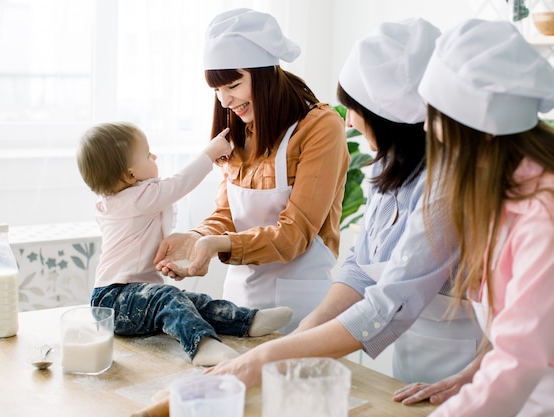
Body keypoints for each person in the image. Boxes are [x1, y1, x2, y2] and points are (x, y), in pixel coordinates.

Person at [202, 18, 483, 389]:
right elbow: (361, 267)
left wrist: (276, 354)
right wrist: (299, 336)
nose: (347, 122)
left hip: (472, 365)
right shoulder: (390, 167)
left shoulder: (447, 186)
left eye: (354, 108)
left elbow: (392, 299)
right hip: (412, 363)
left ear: (389, 118)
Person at [412, 18, 554, 416]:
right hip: (522, 393)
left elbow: (521, 355)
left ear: (481, 129)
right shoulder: (499, 187)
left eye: (436, 115)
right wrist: (475, 371)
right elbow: (517, 321)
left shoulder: (552, 208)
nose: (426, 126)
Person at [154, 8, 349, 333]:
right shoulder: (240, 129)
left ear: (266, 73)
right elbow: (227, 213)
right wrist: (197, 237)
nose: (225, 100)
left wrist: (220, 245)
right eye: (216, 90)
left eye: (232, 84)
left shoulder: (321, 128)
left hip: (299, 312)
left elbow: (295, 235)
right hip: (238, 303)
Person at [76, 121, 293, 367]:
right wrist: (210, 153)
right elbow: (180, 183)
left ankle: (247, 321)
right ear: (130, 174)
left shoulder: (124, 200)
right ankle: (201, 344)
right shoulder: (136, 199)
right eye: (148, 154)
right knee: (168, 297)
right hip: (113, 301)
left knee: (190, 301)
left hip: (129, 297)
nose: (154, 156)